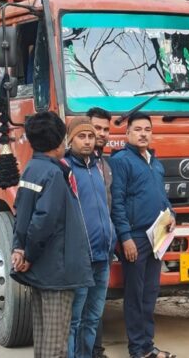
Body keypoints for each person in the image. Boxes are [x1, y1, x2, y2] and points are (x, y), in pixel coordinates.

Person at [10, 111, 94, 358]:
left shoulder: (31, 169)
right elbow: (44, 220)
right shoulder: (54, 173)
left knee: (44, 337)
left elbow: (22, 214)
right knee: (56, 344)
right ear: (59, 142)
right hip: (57, 270)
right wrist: (30, 254)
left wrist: (21, 249)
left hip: (42, 270)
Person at [110, 112, 177, 358]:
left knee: (150, 294)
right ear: (127, 134)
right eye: (137, 129)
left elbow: (162, 198)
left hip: (157, 236)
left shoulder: (154, 162)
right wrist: (125, 237)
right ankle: (137, 348)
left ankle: (148, 346)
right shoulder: (121, 161)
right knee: (135, 295)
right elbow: (116, 202)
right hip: (135, 238)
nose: (143, 133)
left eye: (147, 129)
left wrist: (172, 215)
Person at [64, 117, 116, 358]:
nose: (87, 141)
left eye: (90, 137)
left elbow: (107, 206)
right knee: (74, 320)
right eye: (81, 136)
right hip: (81, 258)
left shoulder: (99, 167)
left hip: (103, 255)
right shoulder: (65, 169)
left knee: (93, 318)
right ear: (70, 139)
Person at [86, 107, 113, 358]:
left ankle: (97, 351)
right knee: (80, 309)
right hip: (82, 249)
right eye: (97, 128)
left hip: (104, 247)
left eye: (106, 129)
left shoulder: (104, 165)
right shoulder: (72, 165)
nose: (101, 134)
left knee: (96, 307)